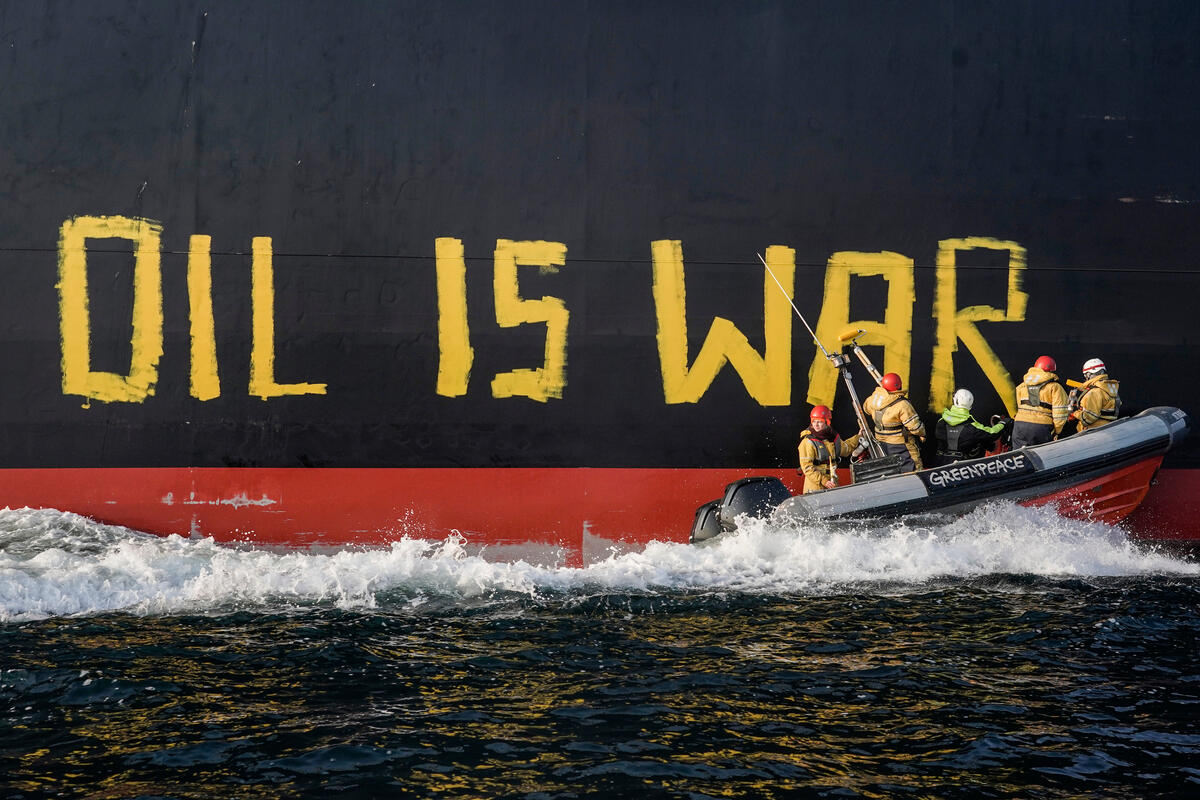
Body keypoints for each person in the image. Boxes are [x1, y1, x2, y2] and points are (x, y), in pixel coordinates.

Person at [863, 372, 926, 472]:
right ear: (899, 385)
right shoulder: (902, 404)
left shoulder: (872, 399)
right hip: (901, 444)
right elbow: (915, 428)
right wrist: (923, 434)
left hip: (880, 443)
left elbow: (866, 409)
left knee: (889, 471)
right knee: (913, 470)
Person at [934, 388, 1009, 465]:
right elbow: (992, 433)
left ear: (954, 401)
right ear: (970, 405)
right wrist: (1003, 423)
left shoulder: (941, 422)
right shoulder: (972, 427)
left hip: (940, 466)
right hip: (961, 468)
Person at [797, 405, 860, 493]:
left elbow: (846, 449)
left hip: (832, 482)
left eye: (820, 422)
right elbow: (807, 467)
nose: (816, 425)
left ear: (827, 422)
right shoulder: (807, 442)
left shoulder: (832, 438)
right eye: (813, 421)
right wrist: (824, 480)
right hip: (815, 486)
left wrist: (859, 437)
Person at [1012, 355, 1069, 448]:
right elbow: (1060, 413)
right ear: (1051, 370)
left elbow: (1019, 406)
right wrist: (1057, 431)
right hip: (1041, 428)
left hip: (1019, 425)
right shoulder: (1055, 387)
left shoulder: (1022, 385)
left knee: (1020, 457)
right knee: (1043, 458)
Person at [1072, 357, 1121, 431]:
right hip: (1108, 428)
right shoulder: (1109, 388)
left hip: (1093, 431)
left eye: (1085, 374)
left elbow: (1088, 419)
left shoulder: (1094, 392)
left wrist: (1075, 413)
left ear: (1088, 374)